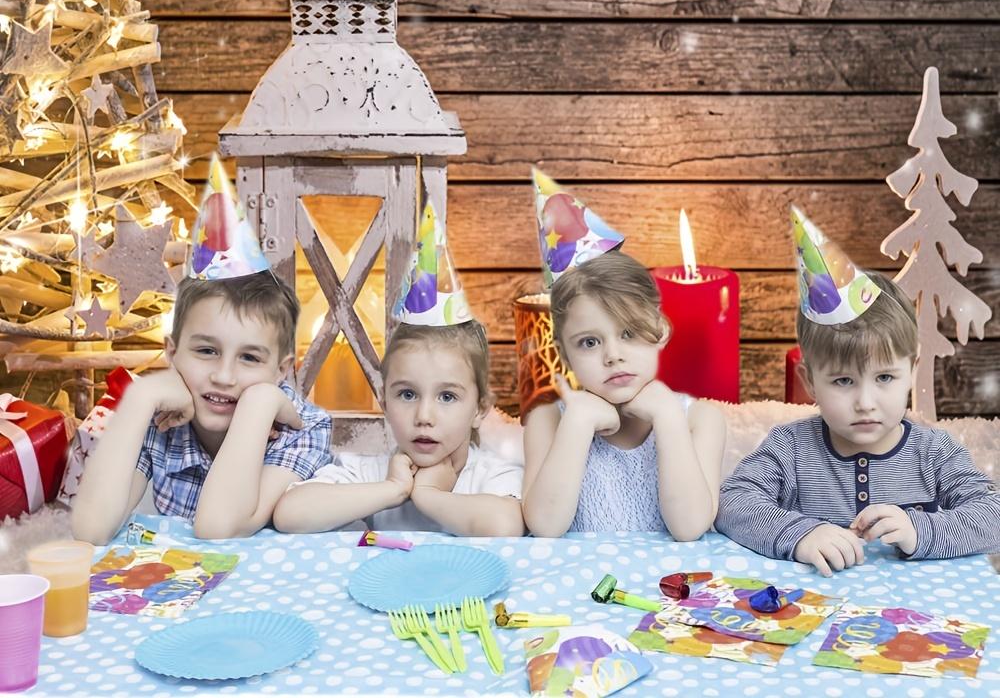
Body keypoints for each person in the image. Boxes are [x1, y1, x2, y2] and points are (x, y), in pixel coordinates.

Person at [715, 206, 1000, 575]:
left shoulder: (933, 452)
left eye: (884, 378)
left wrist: (920, 530)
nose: (866, 403)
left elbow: (992, 516)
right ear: (809, 382)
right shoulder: (790, 447)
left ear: (910, 373)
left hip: (916, 622)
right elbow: (733, 502)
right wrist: (802, 534)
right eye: (843, 381)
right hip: (816, 615)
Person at [71, 157, 330, 545]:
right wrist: (143, 394)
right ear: (172, 353)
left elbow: (218, 527)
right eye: (207, 351)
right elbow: (90, 530)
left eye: (250, 358)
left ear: (282, 370)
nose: (224, 376)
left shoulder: (303, 428)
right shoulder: (160, 424)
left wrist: (260, 402)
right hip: (187, 593)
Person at [274, 202, 524, 536]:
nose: (424, 415)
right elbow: (291, 514)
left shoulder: (491, 475)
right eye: (407, 394)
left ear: (479, 409)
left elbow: (506, 525)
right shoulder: (371, 471)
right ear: (384, 400)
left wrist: (428, 496)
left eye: (447, 396)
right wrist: (394, 489)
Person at [520, 170, 726, 539]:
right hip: (576, 592)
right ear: (564, 355)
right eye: (589, 342)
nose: (612, 355)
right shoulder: (548, 420)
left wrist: (667, 417)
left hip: (666, 592)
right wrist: (578, 422)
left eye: (628, 333)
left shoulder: (700, 420)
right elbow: (545, 526)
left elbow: (690, 527)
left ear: (660, 331)